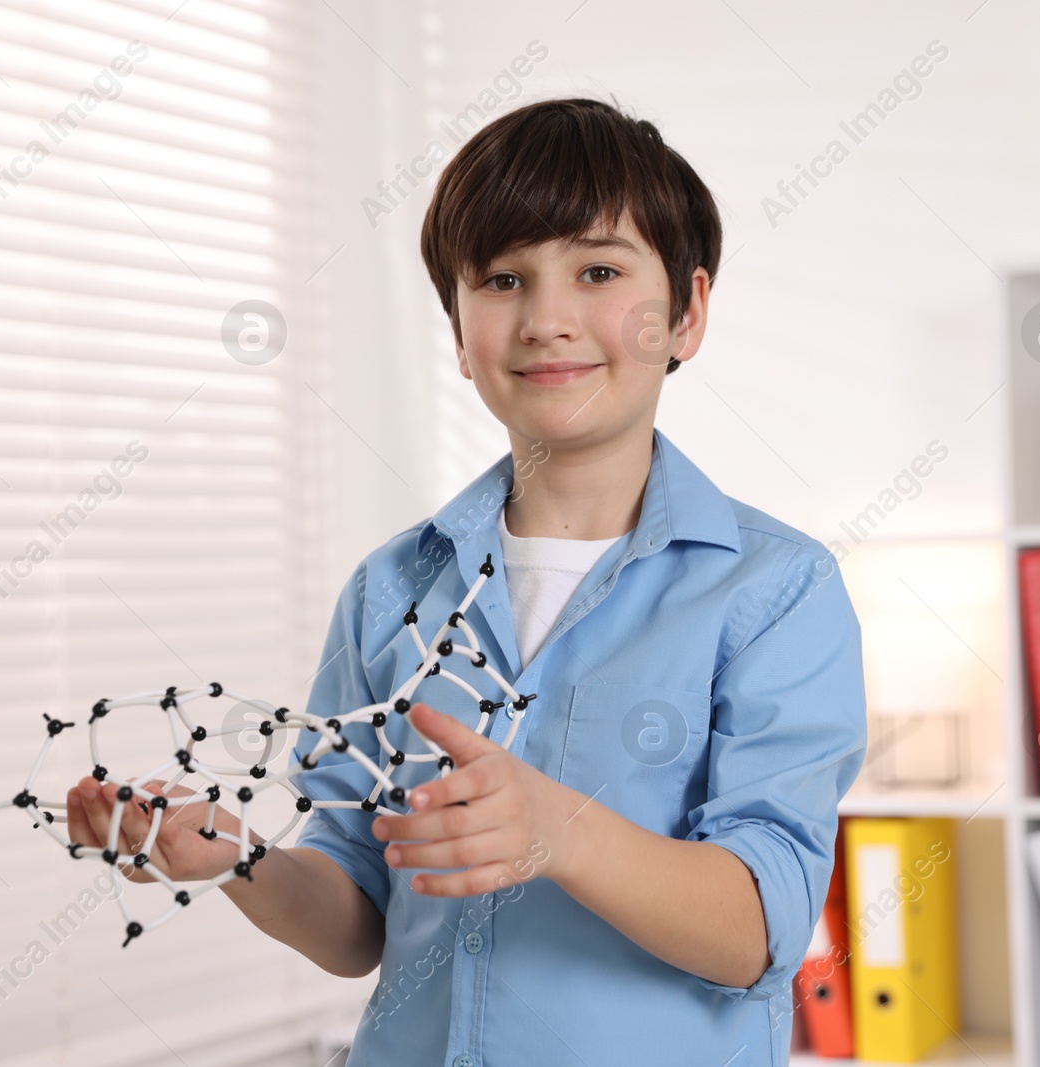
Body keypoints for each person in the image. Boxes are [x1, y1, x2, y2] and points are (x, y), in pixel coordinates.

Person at [67, 96, 866, 1067]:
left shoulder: (774, 589)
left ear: (687, 313)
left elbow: (760, 932)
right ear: (457, 330)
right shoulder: (389, 586)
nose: (546, 318)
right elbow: (358, 913)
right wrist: (237, 856)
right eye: (501, 279)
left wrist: (559, 830)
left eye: (598, 270)